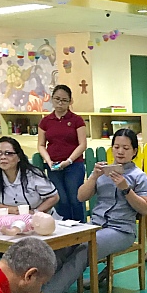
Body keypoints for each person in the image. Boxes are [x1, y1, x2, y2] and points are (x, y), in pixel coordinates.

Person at [19, 128, 147, 293]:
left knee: (84, 250)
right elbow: (81, 197)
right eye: (116, 147)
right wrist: (94, 177)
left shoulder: (139, 177)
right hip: (94, 226)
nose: (120, 152)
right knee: (62, 246)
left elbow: (145, 209)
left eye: (126, 148)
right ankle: (39, 290)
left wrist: (125, 189)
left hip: (121, 230)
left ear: (134, 151)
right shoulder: (102, 172)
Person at [38, 84, 88, 221]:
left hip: (73, 165)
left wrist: (69, 161)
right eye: (57, 99)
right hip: (54, 166)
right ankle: (65, 232)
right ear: (52, 99)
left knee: (75, 199)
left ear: (70, 101)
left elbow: (82, 144)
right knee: (61, 200)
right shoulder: (45, 121)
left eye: (64, 100)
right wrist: (48, 161)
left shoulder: (77, 120)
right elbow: (41, 145)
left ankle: (81, 232)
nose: (60, 103)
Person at [0, 136, 59, 215]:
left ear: (19, 157)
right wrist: (16, 211)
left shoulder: (33, 174)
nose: (3, 157)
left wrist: (35, 213)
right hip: (10, 219)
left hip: (41, 218)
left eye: (8, 153)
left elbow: (54, 197)